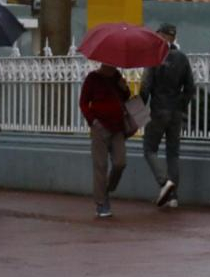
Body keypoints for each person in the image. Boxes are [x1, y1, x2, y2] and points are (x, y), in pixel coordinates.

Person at [140, 23, 195, 208]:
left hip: (158, 110)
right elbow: (190, 88)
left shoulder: (154, 57)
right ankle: (173, 198)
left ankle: (165, 183)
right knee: (173, 154)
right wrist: (181, 106)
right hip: (175, 112)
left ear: (162, 36)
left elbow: (145, 87)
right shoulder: (182, 58)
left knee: (149, 149)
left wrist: (138, 110)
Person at [79, 63, 131, 218]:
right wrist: (92, 121)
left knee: (120, 163)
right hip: (100, 127)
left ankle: (107, 188)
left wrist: (124, 88)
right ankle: (101, 203)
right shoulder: (92, 78)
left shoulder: (117, 77)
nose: (113, 65)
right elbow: (83, 102)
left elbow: (126, 97)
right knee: (100, 165)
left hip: (118, 127)